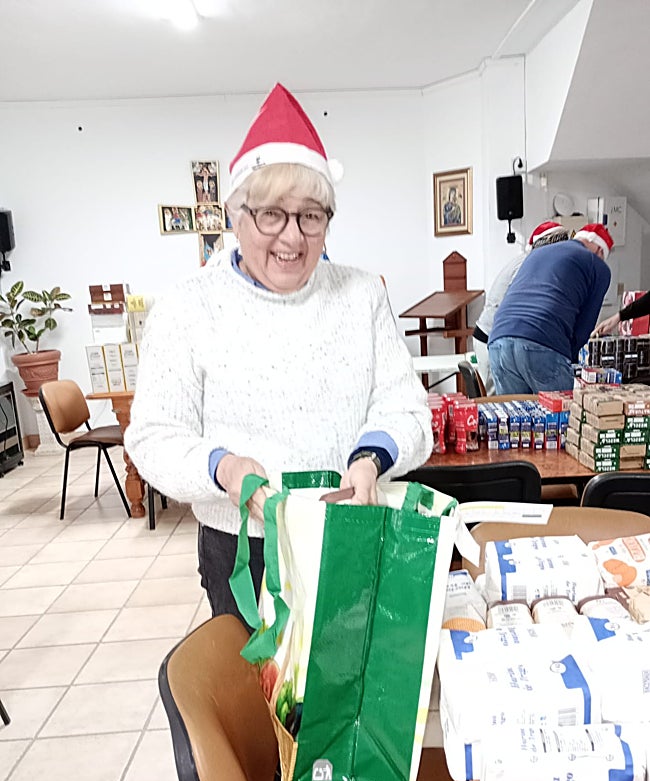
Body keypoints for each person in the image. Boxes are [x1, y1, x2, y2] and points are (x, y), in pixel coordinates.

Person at [125, 81, 432, 628]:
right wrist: (224, 469)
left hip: (350, 532)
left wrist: (370, 459)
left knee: (348, 674)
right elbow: (152, 437)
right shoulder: (188, 308)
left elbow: (407, 411)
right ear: (236, 215)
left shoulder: (362, 295)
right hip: (244, 551)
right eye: (272, 214)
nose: (292, 237)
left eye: (311, 215)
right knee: (259, 682)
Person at [488, 222, 614, 394]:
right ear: (600, 250)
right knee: (563, 410)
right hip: (542, 341)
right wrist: (571, 360)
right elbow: (585, 326)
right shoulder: (598, 266)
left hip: (499, 340)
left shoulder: (538, 252)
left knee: (516, 411)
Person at [473, 221, 569, 394]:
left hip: (497, 337)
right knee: (498, 403)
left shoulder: (528, 261)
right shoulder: (528, 265)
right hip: (492, 337)